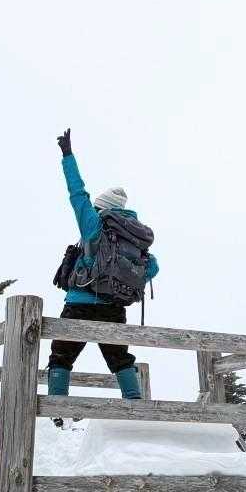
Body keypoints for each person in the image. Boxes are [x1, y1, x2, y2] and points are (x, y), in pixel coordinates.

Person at [47, 128, 158, 400]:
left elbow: (77, 194)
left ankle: (56, 414)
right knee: (120, 358)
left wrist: (67, 155)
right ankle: (134, 406)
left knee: (61, 356)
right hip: (114, 308)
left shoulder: (95, 225)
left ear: (102, 207)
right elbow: (152, 267)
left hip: (81, 303)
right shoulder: (135, 235)